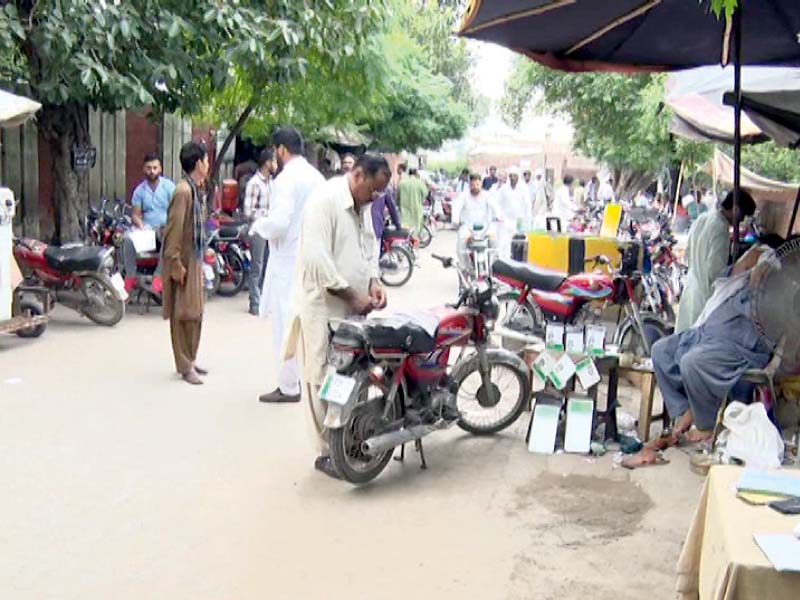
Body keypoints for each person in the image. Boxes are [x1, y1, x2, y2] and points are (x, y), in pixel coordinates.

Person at [283, 154, 392, 479]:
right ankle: (327, 453)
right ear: (358, 175)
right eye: (373, 190)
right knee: (320, 377)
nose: (375, 198)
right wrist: (351, 295)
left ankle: (345, 439)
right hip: (322, 307)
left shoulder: (363, 205)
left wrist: (374, 282)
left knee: (347, 374)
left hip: (352, 310)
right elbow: (317, 260)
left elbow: (369, 244)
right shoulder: (325, 200)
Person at [635, 235, 785, 466]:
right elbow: (729, 276)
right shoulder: (742, 277)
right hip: (705, 335)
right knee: (661, 350)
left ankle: (704, 425)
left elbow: (762, 314)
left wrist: (765, 271)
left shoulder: (778, 291)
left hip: (738, 348)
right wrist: (750, 260)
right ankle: (685, 412)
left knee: (692, 362)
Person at [251, 127, 325, 403]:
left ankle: (288, 385)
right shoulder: (316, 178)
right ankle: (310, 380)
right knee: (308, 324)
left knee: (285, 325)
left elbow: (280, 222)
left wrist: (260, 225)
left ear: (281, 150)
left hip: (288, 260)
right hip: (311, 258)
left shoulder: (286, 180)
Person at [161, 143, 209, 386]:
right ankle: (184, 364)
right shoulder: (183, 191)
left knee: (196, 312)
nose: (208, 165)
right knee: (183, 314)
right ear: (198, 163)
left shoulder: (195, 189)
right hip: (184, 261)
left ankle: (190, 358)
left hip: (196, 258)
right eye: (206, 160)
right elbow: (174, 231)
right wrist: (175, 263)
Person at [675, 189, 757, 332]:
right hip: (705, 296)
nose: (742, 221)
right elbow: (716, 272)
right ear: (735, 209)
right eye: (742, 215)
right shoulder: (720, 228)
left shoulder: (703, 218)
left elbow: (688, 254)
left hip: (691, 288)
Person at [121, 153, 176, 294]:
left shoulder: (169, 187)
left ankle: (158, 276)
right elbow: (135, 215)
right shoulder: (139, 190)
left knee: (169, 236)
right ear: (143, 169)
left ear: (160, 169)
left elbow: (176, 212)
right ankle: (131, 277)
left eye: (155, 168)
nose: (152, 171)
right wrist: (140, 224)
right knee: (127, 239)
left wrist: (169, 225)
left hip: (165, 228)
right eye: (149, 168)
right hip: (147, 230)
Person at [243, 149, 275, 316]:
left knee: (268, 266)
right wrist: (266, 216)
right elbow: (248, 212)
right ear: (267, 162)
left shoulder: (271, 182)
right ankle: (254, 304)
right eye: (274, 161)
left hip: (270, 230)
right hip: (258, 229)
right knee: (257, 266)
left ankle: (264, 301)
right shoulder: (255, 183)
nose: (276, 164)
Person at [457, 173, 493, 267]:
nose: (475, 187)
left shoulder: (487, 195)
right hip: (467, 228)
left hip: (484, 228)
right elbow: (457, 208)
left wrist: (500, 217)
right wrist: (455, 220)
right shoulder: (463, 196)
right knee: (461, 243)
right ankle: (464, 267)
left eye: (477, 185)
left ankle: (493, 267)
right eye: (472, 185)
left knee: (494, 241)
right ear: (469, 185)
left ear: (481, 184)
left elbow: (495, 207)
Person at [495, 167, 532, 259]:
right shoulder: (504, 189)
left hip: (520, 220)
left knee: (519, 243)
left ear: (518, 177)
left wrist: (528, 220)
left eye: (514, 176)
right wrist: (499, 216)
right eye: (510, 176)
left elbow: (528, 205)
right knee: (505, 244)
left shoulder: (523, 189)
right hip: (506, 220)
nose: (512, 178)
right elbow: (498, 204)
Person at [371, 182, 402, 262]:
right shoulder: (384, 187)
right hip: (375, 227)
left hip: (362, 228)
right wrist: (398, 225)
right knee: (374, 260)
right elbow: (392, 208)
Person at [397, 167, 427, 235]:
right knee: (416, 226)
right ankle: (415, 239)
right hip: (416, 208)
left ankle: (407, 239)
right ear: (416, 173)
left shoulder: (402, 183)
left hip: (404, 209)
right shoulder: (419, 182)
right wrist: (420, 199)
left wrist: (398, 204)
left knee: (405, 225)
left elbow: (397, 196)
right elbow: (425, 193)